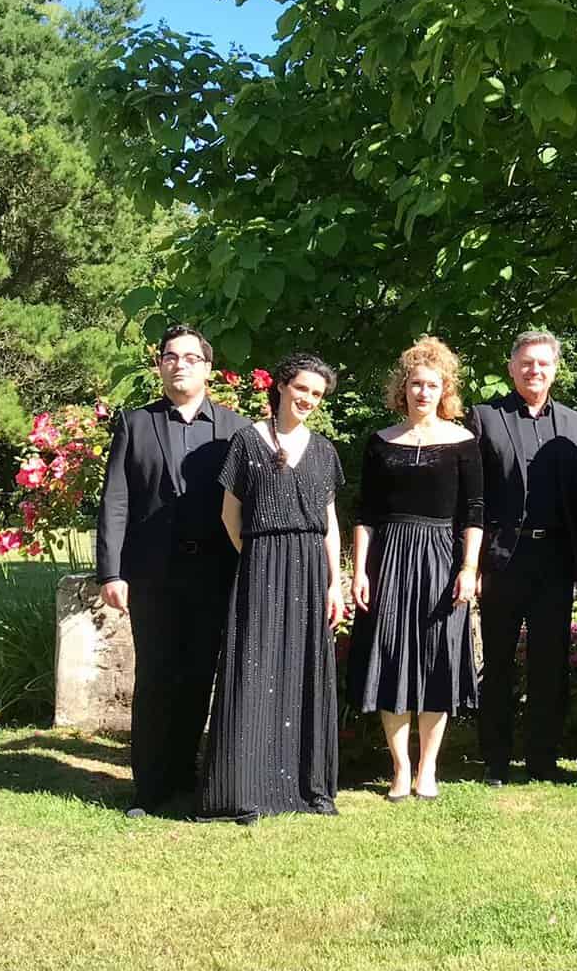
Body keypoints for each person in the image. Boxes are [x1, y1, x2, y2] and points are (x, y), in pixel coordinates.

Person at [94, 323, 251, 818]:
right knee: (156, 678)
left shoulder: (237, 429)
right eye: (170, 356)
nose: (179, 364)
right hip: (152, 574)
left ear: (208, 368)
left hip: (215, 573)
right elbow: (115, 501)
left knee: (199, 677)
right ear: (160, 365)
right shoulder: (135, 424)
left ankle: (186, 777)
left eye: (189, 357)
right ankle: (149, 788)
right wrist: (111, 572)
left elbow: (250, 503)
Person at [198, 352, 347, 823]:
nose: (308, 399)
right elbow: (229, 514)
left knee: (305, 671)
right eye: (302, 388)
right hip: (261, 560)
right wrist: (258, 557)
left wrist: (335, 584)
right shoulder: (247, 441)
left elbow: (330, 522)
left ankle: (309, 789)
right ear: (282, 385)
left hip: (311, 567)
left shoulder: (323, 450)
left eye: (317, 394)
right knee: (254, 668)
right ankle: (243, 791)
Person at [346, 336, 484, 802]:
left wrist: (469, 567)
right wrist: (360, 571)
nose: (423, 392)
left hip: (442, 559)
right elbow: (365, 513)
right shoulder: (380, 443)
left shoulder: (464, 443)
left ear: (445, 390)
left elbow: (474, 514)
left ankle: (428, 769)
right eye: (415, 384)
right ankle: (400, 769)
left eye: (432, 385)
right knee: (390, 659)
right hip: (389, 559)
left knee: (436, 660)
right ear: (402, 388)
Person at [468, 330, 577, 785]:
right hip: (501, 558)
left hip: (555, 559)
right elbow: (473, 496)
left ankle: (542, 757)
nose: (534, 370)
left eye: (542, 363)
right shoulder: (484, 417)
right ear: (511, 368)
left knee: (549, 663)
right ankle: (496, 758)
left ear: (555, 369)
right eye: (525, 363)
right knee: (498, 661)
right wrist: (472, 563)